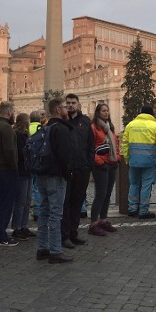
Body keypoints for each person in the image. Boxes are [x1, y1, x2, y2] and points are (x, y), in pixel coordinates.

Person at [36, 97, 75, 264]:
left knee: (44, 212)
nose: (68, 110)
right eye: (65, 107)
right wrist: (68, 174)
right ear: (58, 110)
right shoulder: (61, 129)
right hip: (56, 176)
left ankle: (42, 248)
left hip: (42, 174)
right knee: (55, 214)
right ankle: (55, 251)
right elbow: (64, 156)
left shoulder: (45, 127)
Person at [61, 94, 93, 248]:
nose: (70, 105)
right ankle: (64, 235)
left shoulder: (86, 121)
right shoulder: (62, 121)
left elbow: (90, 144)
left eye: (73, 103)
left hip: (82, 168)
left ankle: (73, 232)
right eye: (68, 103)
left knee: (77, 202)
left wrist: (89, 164)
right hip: (67, 170)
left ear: (78, 104)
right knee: (65, 203)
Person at [0, 101, 20, 247]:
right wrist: (14, 168)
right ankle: (0, 236)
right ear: (8, 112)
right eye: (12, 111)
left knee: (0, 204)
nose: (13, 114)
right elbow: (10, 151)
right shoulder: (6, 128)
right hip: (5, 170)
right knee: (5, 204)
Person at [122, 105, 156, 219]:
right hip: (149, 160)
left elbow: (124, 143)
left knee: (133, 184)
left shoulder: (131, 125)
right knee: (146, 185)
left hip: (133, 160)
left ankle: (132, 208)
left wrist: (127, 157)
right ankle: (143, 210)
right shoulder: (155, 126)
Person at [88, 103, 120, 236]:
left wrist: (117, 157)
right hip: (100, 165)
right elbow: (90, 147)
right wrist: (99, 161)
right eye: (103, 111)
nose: (106, 113)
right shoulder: (94, 127)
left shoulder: (109, 127)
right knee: (100, 194)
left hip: (112, 163)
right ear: (98, 113)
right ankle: (93, 224)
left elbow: (115, 143)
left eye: (107, 110)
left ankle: (103, 220)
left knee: (107, 194)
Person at [10, 113, 34, 241]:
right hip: (21, 171)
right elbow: (22, 152)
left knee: (27, 200)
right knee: (20, 201)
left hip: (28, 171)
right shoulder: (18, 135)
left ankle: (24, 225)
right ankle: (17, 227)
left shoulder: (24, 135)